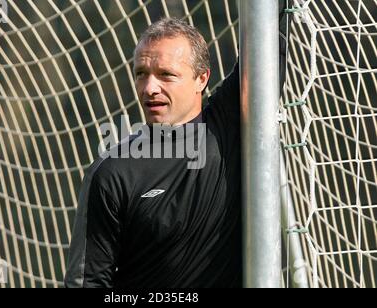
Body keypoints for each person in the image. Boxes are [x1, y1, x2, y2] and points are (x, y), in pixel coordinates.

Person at [65, 2, 291, 288]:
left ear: (201, 79)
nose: (149, 88)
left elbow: (272, 38)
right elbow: (87, 282)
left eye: (166, 75)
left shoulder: (228, 124)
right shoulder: (112, 173)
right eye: (141, 74)